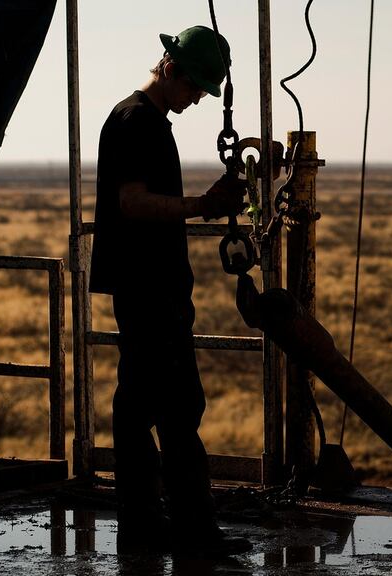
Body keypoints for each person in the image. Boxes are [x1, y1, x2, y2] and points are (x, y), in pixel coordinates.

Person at [89, 25, 251, 556]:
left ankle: (141, 527)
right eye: (195, 86)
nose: (198, 97)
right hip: (151, 286)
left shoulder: (138, 118)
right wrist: (205, 205)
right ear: (170, 68)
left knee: (136, 408)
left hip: (141, 284)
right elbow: (132, 202)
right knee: (179, 407)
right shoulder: (139, 122)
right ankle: (194, 532)